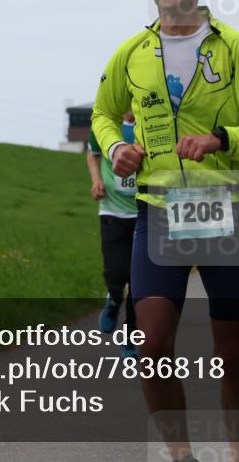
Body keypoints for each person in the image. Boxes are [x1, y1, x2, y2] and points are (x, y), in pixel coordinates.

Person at [92, 0, 239, 462]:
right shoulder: (131, 54)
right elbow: (103, 115)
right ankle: (181, 456)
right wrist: (116, 149)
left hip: (222, 213)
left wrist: (223, 140)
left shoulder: (234, 48)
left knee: (231, 354)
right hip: (157, 214)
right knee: (151, 349)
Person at [86, 110, 139, 358]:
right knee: (117, 273)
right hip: (112, 212)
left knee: (140, 282)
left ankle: (130, 337)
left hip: (145, 213)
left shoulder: (152, 122)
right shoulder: (107, 125)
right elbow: (93, 154)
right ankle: (114, 301)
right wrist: (97, 180)